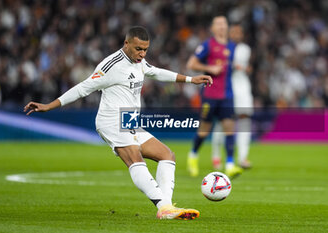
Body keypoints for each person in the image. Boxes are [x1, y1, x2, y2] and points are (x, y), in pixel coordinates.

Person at [24, 26, 212, 220]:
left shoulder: (139, 62)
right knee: (134, 156)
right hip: (111, 120)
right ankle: (164, 208)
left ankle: (167, 207)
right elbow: (82, 88)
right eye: (138, 48)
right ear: (126, 43)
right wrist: (49, 106)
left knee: (167, 155)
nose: (142, 54)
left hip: (128, 120)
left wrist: (191, 80)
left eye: (145, 49)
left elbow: (155, 72)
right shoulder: (111, 66)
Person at [186, 16, 243, 178]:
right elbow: (191, 64)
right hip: (210, 94)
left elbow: (227, 65)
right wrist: (209, 67)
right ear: (212, 28)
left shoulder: (232, 46)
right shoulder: (207, 45)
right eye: (218, 24)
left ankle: (230, 164)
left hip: (227, 94)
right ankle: (193, 155)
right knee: (204, 129)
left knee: (229, 128)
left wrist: (235, 67)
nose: (221, 26)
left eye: (224, 23)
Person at [211, 24, 253, 169]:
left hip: (242, 87)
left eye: (239, 32)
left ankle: (242, 157)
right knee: (223, 121)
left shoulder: (245, 49)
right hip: (225, 86)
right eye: (234, 32)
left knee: (244, 119)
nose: (237, 34)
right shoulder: (221, 47)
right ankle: (216, 156)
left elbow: (239, 65)